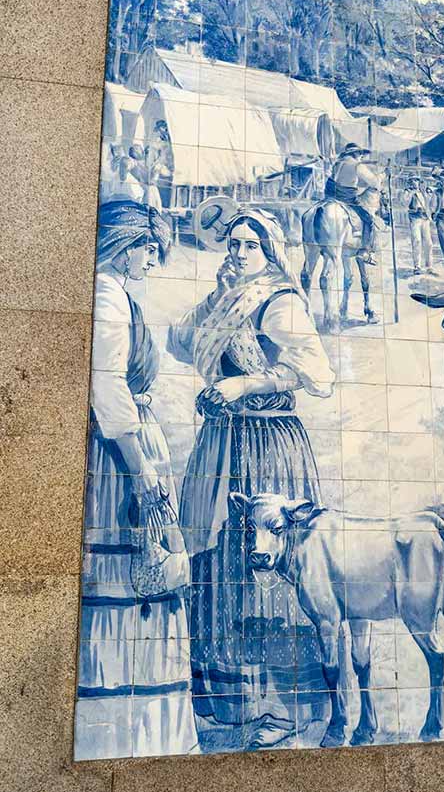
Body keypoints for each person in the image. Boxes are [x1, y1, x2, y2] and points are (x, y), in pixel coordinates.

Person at [167, 207, 336, 750]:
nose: (237, 253)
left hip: (266, 444)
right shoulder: (225, 298)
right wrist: (212, 308)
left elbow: (318, 375)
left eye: (249, 245)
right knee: (217, 561)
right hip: (221, 443)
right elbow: (178, 343)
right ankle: (228, 701)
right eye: (233, 244)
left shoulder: (279, 301)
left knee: (263, 565)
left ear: (269, 251)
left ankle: (281, 707)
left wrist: (245, 385)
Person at [77, 201, 197, 758]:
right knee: (133, 575)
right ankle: (131, 730)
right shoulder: (105, 293)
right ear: (127, 245)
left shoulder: (116, 294)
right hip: (118, 459)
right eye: (151, 249)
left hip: (126, 448)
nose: (154, 260)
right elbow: (107, 385)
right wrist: (141, 468)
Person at [325, 142, 380, 265]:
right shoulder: (357, 165)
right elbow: (374, 182)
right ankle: (364, 251)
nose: (361, 155)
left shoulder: (337, 163)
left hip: (329, 196)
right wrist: (382, 176)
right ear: (354, 153)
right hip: (346, 198)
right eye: (360, 153)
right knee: (368, 219)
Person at [407, 175, 433, 275]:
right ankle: (417, 266)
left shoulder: (423, 192)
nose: (415, 182)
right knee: (417, 241)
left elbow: (428, 204)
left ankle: (429, 265)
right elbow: (403, 203)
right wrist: (410, 194)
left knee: (428, 242)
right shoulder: (408, 192)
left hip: (425, 218)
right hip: (415, 218)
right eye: (412, 180)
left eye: (416, 180)